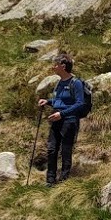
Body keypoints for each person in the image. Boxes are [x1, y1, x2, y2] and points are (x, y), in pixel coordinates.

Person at [37, 54, 90, 185]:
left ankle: (64, 180)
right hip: (56, 118)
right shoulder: (59, 82)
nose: (53, 67)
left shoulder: (76, 83)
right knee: (52, 149)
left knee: (66, 150)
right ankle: (50, 180)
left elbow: (79, 103)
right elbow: (59, 100)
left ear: (63, 66)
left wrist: (62, 114)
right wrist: (48, 102)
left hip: (69, 120)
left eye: (55, 64)